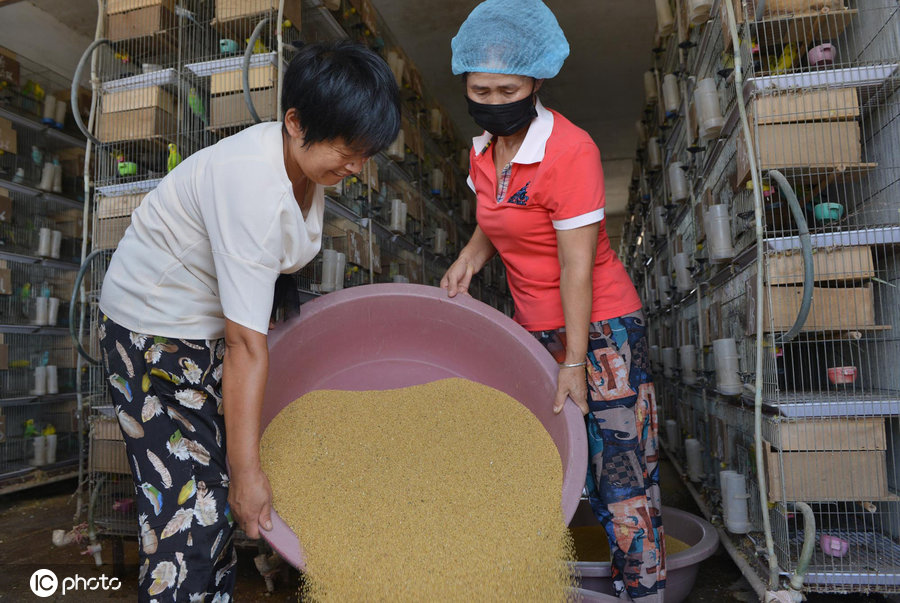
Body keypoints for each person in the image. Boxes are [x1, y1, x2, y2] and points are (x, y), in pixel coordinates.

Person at [97, 41, 400, 601]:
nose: (355, 167)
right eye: (346, 149)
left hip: (202, 328)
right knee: (189, 510)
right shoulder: (250, 185)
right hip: (152, 332)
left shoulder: (305, 170)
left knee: (211, 497)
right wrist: (249, 475)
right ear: (295, 122)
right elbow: (244, 345)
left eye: (366, 154)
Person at [440, 1, 664, 600]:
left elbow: (576, 269)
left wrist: (574, 360)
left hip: (600, 326)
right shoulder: (483, 150)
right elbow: (500, 213)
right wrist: (469, 256)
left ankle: (641, 591)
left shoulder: (571, 152)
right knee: (541, 463)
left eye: (506, 88)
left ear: (535, 80)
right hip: (531, 327)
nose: (492, 100)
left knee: (621, 476)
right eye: (480, 89)